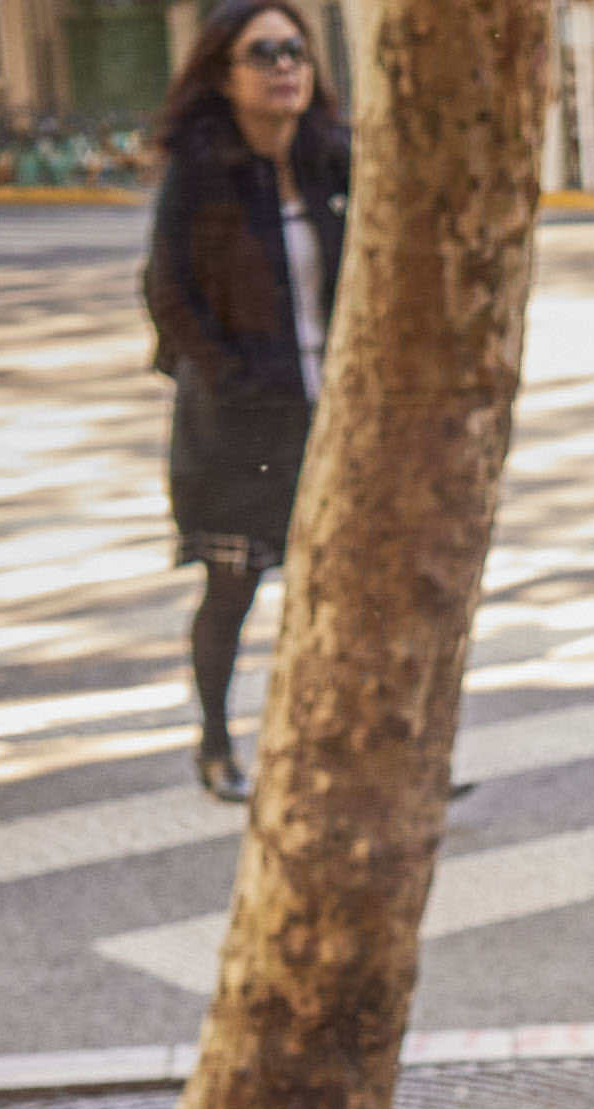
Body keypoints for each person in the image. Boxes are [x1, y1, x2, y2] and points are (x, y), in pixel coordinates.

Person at [144, 0, 345, 804]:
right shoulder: (201, 172)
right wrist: (230, 378)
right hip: (234, 426)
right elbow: (168, 292)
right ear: (223, 75)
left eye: (296, 50)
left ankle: (336, 750)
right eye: (263, 53)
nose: (286, 66)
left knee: (338, 586)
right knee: (233, 585)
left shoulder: (335, 158)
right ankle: (217, 741)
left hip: (330, 415)